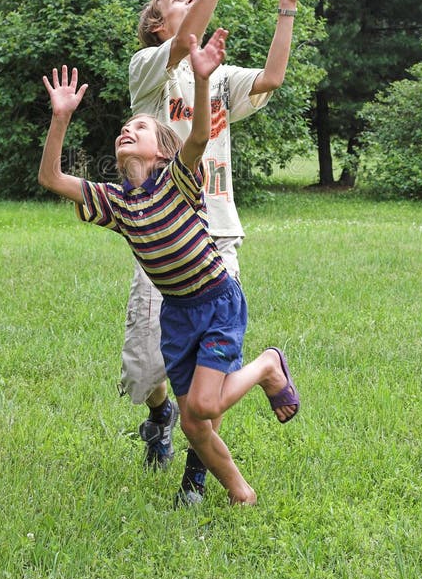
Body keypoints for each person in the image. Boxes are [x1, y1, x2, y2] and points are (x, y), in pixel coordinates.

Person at [38, 27, 300, 506]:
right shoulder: (115, 202)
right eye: (125, 128)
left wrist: (202, 80)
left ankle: (267, 364)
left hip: (218, 301)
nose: (126, 130)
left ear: (161, 151)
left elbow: (199, 134)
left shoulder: (179, 180)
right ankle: (242, 495)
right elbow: (51, 177)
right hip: (177, 315)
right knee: (197, 426)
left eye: (138, 129)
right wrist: (60, 119)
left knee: (202, 405)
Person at [123, 0, 314, 504]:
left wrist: (287, 6)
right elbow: (185, 42)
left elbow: (274, 77)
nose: (189, 0)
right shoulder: (149, 72)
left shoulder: (219, 75)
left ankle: (197, 470)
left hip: (217, 236)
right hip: (161, 237)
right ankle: (158, 419)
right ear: (155, 24)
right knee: (145, 369)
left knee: (210, 367)